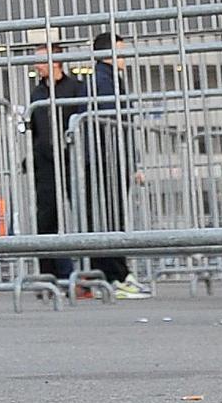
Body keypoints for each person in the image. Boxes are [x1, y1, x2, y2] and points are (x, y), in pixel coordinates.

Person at [28, 40, 139, 297]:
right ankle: (50, 278)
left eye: (40, 59)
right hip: (45, 165)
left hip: (73, 161)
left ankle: (86, 275)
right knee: (47, 219)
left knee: (87, 216)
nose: (35, 65)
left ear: (56, 61)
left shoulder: (76, 88)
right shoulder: (36, 93)